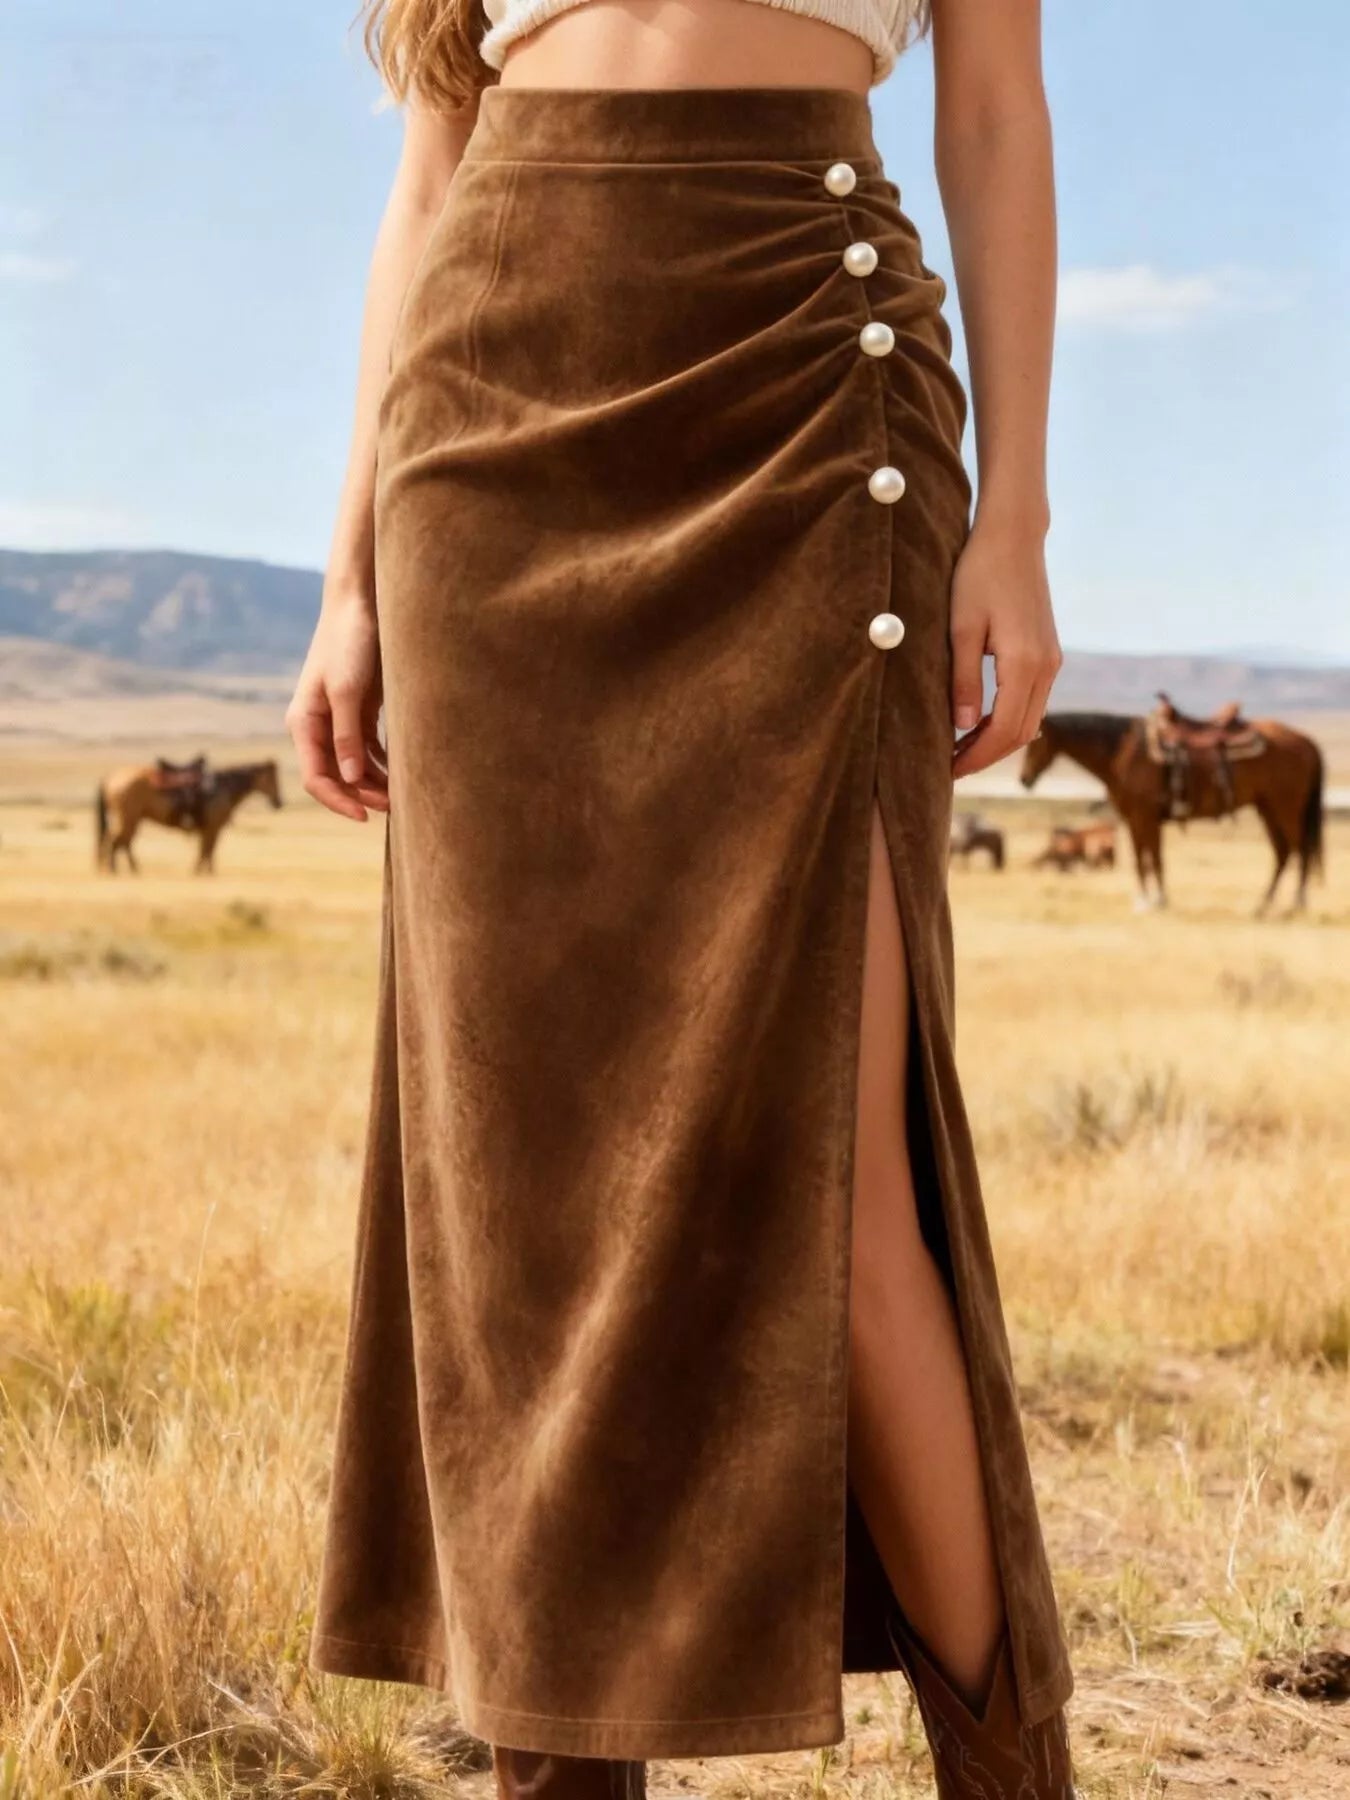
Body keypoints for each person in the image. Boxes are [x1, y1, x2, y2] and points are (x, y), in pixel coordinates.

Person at [287, 1, 1076, 1795]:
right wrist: (347, 577)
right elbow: (428, 176)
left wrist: (1015, 514)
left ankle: (1011, 1776)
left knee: (851, 1166)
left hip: (809, 365)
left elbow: (997, 122)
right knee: (523, 1179)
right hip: (496, 404)